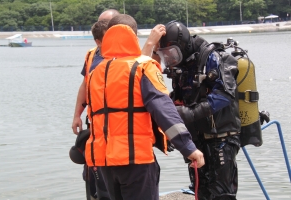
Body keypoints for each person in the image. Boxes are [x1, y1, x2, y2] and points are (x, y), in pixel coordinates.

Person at [84, 14, 204, 200]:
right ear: (134, 35)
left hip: (104, 161)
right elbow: (164, 110)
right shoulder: (142, 67)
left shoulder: (95, 72)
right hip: (135, 160)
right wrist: (188, 147)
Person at [156, 21, 241, 200]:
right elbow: (177, 98)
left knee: (222, 194)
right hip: (196, 138)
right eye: (166, 54)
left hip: (221, 136)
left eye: (172, 53)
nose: (170, 59)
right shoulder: (181, 67)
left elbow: (225, 94)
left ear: (184, 45)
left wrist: (190, 113)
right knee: (200, 191)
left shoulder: (214, 57)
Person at [71, 9, 120, 200]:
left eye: (108, 26)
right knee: (92, 173)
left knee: (117, 174)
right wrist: (77, 115)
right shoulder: (92, 54)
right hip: (95, 123)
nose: (103, 29)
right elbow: (85, 85)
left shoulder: (128, 54)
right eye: (101, 25)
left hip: (119, 125)